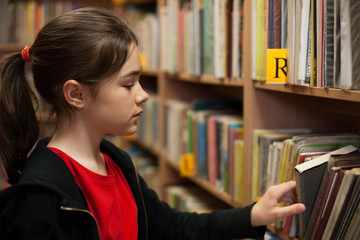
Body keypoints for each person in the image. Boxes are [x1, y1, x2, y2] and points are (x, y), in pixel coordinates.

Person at [0, 7, 305, 240]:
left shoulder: (115, 161)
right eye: (128, 84)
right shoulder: (38, 198)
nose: (143, 95)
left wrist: (253, 214)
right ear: (76, 93)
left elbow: (170, 225)